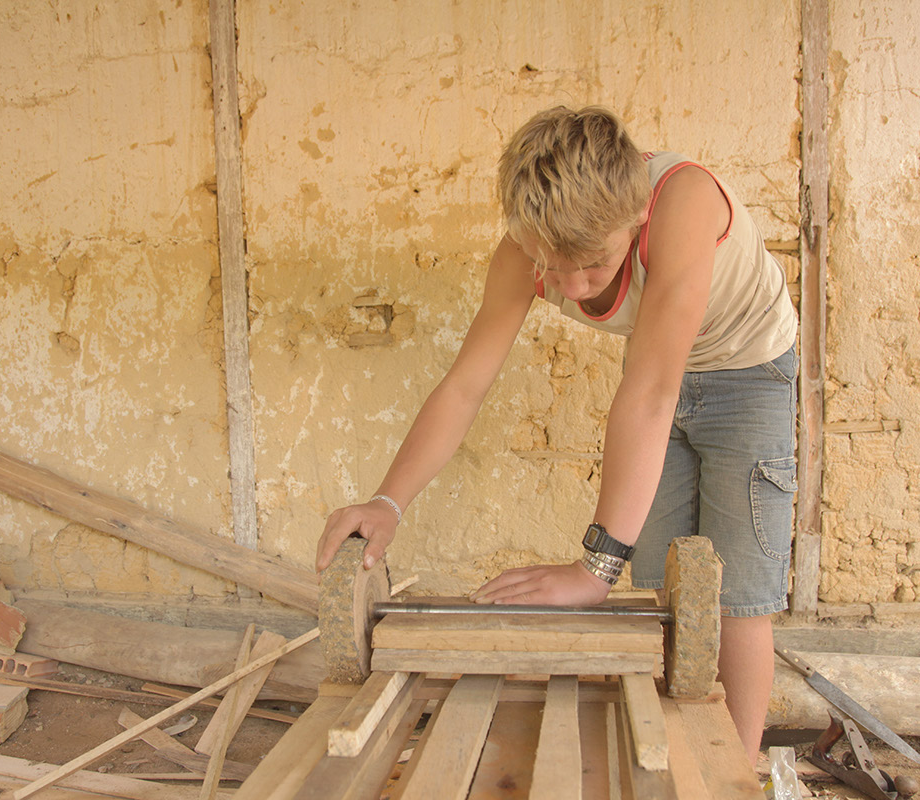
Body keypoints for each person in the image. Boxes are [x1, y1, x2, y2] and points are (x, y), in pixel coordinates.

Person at [315, 105, 798, 763]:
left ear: (637, 217)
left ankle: (738, 776)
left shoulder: (682, 204)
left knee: (736, 596)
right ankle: (677, 765)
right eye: (552, 266)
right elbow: (465, 387)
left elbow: (651, 395)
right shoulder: (524, 250)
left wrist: (594, 568)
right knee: (667, 590)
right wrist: (387, 502)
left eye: (594, 264)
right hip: (660, 371)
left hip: (750, 372)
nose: (571, 286)